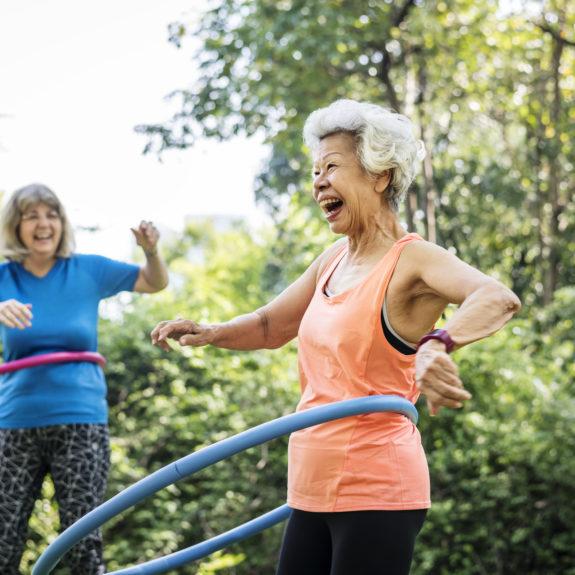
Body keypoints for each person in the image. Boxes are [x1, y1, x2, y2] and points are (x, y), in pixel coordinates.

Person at [150, 99, 521, 575]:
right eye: (315, 170)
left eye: (332, 167)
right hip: (308, 488)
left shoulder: (413, 259)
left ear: (379, 175)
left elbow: (498, 297)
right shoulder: (333, 259)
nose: (317, 181)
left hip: (377, 488)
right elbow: (270, 326)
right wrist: (210, 332)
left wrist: (438, 343)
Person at [0, 183, 169, 575]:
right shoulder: (4, 277)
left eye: (51, 214)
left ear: (61, 222)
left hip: (81, 424)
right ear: (16, 225)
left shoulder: (87, 269)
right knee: (4, 540)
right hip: (14, 424)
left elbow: (154, 281)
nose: (44, 224)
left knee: (81, 544)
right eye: (32, 216)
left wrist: (151, 250)